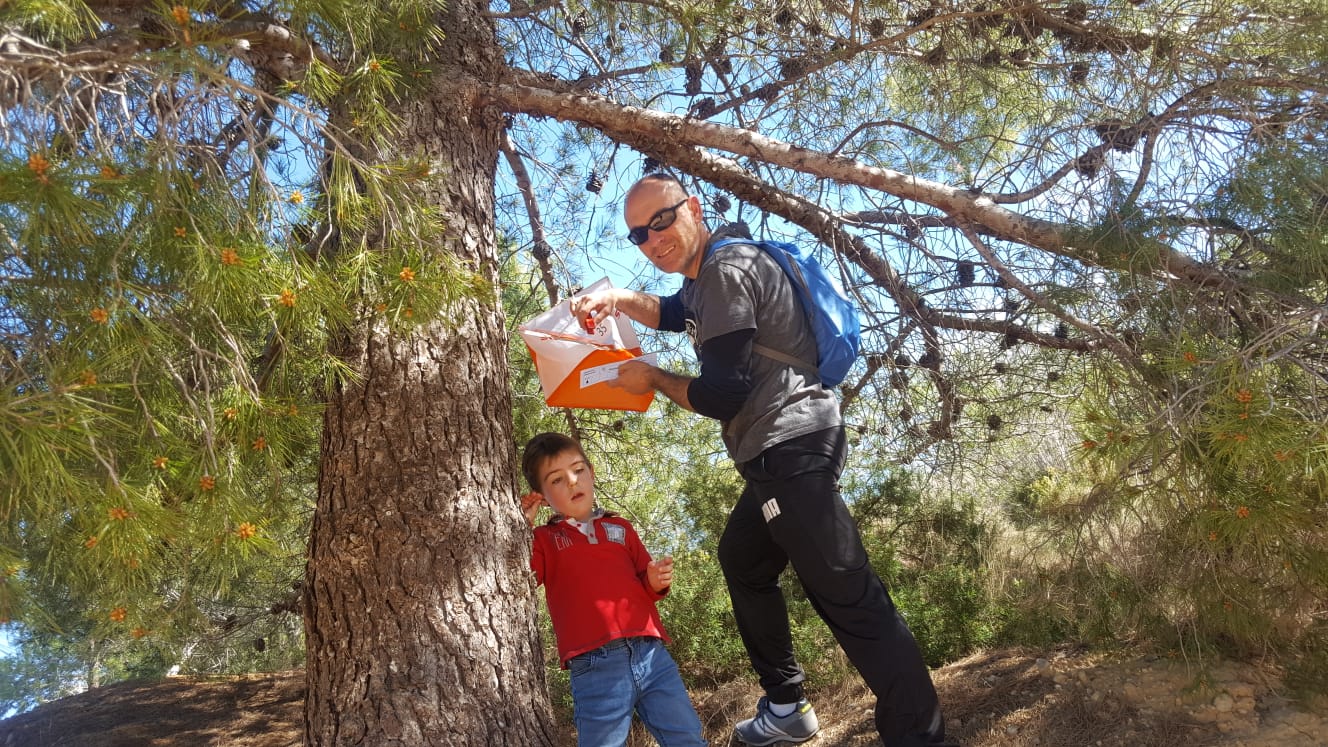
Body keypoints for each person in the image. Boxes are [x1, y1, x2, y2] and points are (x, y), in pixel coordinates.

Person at [571, 173, 954, 747]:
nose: (652, 239)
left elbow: (722, 394)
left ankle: (920, 738)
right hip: (782, 452)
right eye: (637, 235)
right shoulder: (709, 277)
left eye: (661, 221)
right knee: (744, 559)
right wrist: (619, 299)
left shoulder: (724, 271)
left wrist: (651, 378)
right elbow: (674, 312)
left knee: (849, 596)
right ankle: (787, 706)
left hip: (788, 448)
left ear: (692, 208)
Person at [519, 431, 706, 747]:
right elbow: (523, 578)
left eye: (578, 470)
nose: (572, 481)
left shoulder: (621, 527)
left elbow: (646, 583)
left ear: (591, 473)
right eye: (557, 480)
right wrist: (522, 527)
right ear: (542, 496)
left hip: (651, 653)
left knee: (687, 737)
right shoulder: (544, 539)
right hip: (595, 662)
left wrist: (656, 581)